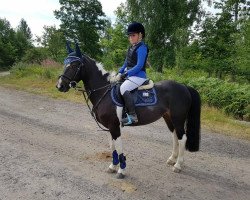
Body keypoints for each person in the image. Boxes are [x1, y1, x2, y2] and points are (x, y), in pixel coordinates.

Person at [117, 22, 149, 125]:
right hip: (130, 75)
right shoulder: (130, 48)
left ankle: (132, 115)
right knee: (116, 85)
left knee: (123, 88)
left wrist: (126, 73)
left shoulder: (142, 48)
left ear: (140, 35)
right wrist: (119, 72)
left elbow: (139, 66)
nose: (131, 38)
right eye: (129, 36)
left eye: (133, 35)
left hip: (139, 76)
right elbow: (126, 63)